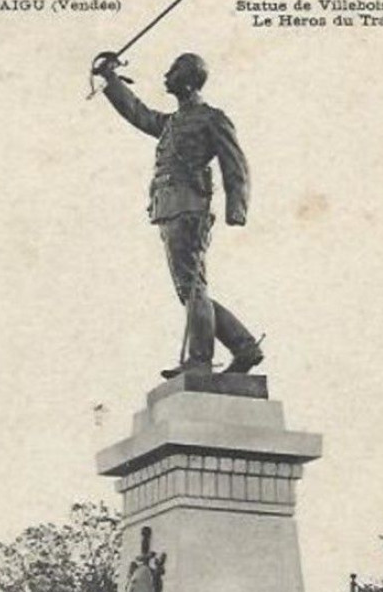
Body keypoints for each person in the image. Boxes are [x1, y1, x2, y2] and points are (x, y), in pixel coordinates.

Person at [95, 51, 264, 379]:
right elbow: (138, 114)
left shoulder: (211, 118)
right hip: (170, 208)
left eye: (172, 71)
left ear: (187, 80)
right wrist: (111, 79)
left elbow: (236, 165)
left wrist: (236, 209)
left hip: (190, 207)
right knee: (191, 287)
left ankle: (199, 361)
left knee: (191, 287)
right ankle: (244, 347)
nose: (166, 76)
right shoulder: (171, 122)